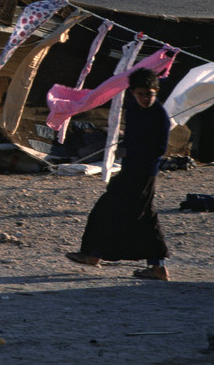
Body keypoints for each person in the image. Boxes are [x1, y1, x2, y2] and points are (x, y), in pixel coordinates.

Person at [65, 68, 172, 280]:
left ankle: (158, 266)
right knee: (104, 208)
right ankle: (92, 254)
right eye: (140, 93)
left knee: (144, 217)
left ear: (156, 92)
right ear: (133, 92)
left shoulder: (159, 116)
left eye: (149, 94)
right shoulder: (133, 108)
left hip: (144, 173)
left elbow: (159, 149)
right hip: (129, 168)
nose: (144, 98)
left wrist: (137, 151)